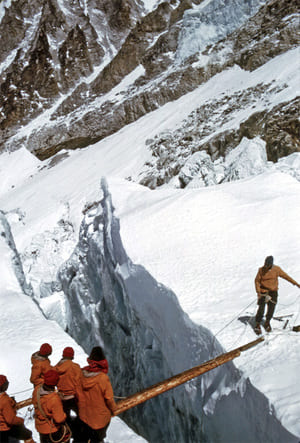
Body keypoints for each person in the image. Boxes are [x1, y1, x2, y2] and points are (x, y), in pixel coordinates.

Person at [75, 346, 117, 443]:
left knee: (83, 438)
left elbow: (77, 394)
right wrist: (114, 410)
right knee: (97, 439)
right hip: (99, 420)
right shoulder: (102, 378)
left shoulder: (81, 374)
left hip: (84, 417)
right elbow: (109, 399)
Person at [254, 256, 300, 333]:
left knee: (271, 308)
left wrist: (296, 284)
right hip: (263, 292)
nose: (266, 266)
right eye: (265, 264)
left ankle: (267, 322)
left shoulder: (276, 269)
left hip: (273, 292)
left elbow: (286, 276)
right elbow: (257, 281)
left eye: (268, 265)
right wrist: (258, 292)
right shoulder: (261, 270)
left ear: (271, 264)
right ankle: (258, 324)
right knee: (261, 308)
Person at [32, 369, 71, 443]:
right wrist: (64, 415)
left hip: (41, 427)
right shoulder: (54, 399)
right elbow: (59, 419)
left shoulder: (37, 389)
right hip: (52, 429)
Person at [0, 374, 34, 443]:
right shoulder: (4, 400)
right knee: (27, 434)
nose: (8, 383)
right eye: (6, 382)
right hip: (6, 429)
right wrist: (20, 420)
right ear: (2, 386)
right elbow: (11, 420)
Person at [55, 347, 81, 422]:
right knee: (81, 415)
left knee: (66, 418)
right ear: (72, 356)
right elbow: (79, 382)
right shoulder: (75, 367)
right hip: (73, 397)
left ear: (63, 355)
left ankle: (67, 430)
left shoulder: (56, 368)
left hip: (61, 397)